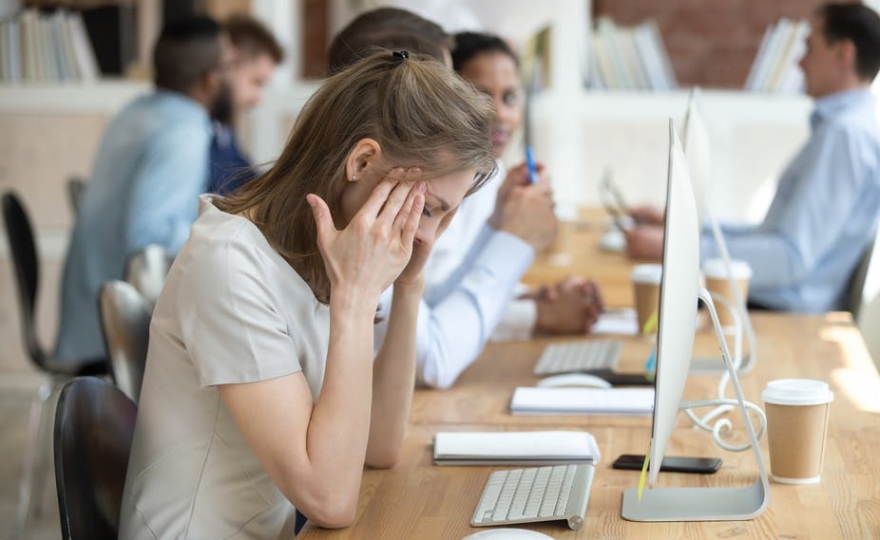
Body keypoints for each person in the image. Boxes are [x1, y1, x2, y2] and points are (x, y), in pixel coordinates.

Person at [117, 50, 496, 539]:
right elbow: (329, 498)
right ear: (361, 161)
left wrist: (408, 285)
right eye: (427, 210)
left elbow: (378, 446)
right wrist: (356, 303)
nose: (428, 237)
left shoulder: (325, 253)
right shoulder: (230, 263)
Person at [368, 30, 603, 389]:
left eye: (510, 97)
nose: (496, 115)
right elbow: (434, 358)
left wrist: (498, 227)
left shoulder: (478, 181)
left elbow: (429, 303)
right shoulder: (374, 218)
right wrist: (514, 244)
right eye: (470, 98)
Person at [625, 1, 880, 314]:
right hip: (772, 301)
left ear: (844, 53)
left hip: (779, 311)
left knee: (632, 302)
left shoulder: (846, 136)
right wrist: (687, 227)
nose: (800, 62)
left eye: (809, 47)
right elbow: (771, 236)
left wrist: (679, 249)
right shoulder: (848, 128)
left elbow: (789, 259)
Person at [54, 16, 233, 363]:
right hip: (118, 334)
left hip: (88, 316)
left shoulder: (134, 112)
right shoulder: (182, 132)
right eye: (229, 65)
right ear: (211, 78)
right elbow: (149, 244)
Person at [208, 14, 284, 195]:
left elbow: (251, 183)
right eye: (256, 82)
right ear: (230, 63)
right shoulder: (197, 135)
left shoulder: (222, 131)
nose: (259, 98)